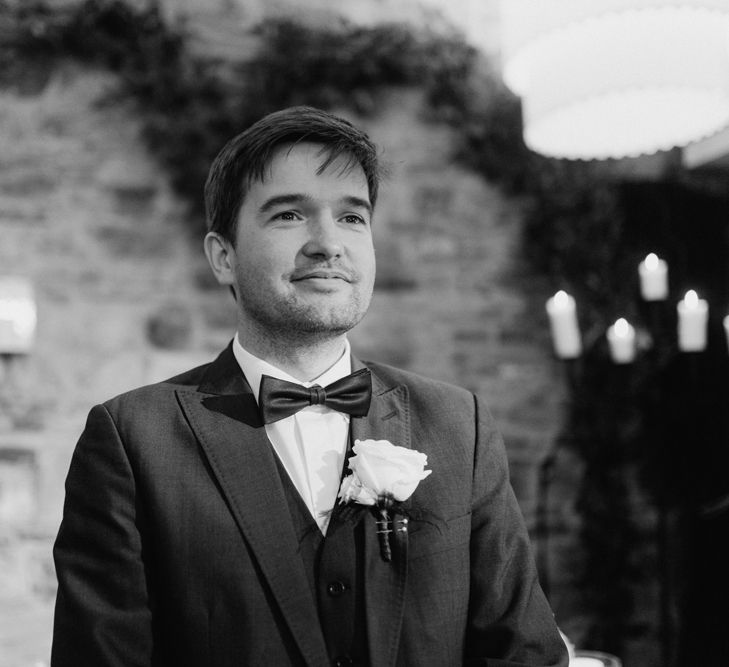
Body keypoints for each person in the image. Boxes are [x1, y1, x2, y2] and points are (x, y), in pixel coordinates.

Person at [51, 106, 568, 667]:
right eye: (289, 215)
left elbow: (523, 653)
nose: (328, 244)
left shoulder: (458, 425)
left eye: (352, 218)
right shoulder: (133, 441)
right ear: (223, 256)